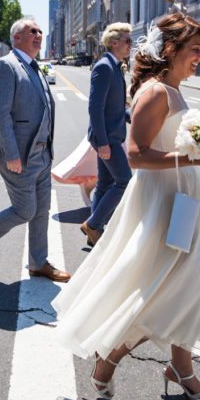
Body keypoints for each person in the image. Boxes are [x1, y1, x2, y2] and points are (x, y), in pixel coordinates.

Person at [52, 12, 200, 400]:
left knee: (189, 283)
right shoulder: (156, 92)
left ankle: (180, 368)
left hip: (182, 197)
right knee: (157, 289)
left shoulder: (174, 88)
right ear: (171, 49)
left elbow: (174, 144)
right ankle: (109, 360)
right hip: (162, 203)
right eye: (195, 49)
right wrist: (196, 160)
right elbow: (135, 155)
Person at [0, 17, 69, 283]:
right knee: (25, 210)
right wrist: (11, 153)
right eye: (31, 31)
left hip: (42, 154)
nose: (38, 35)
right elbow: (0, 114)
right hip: (19, 156)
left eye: (40, 31)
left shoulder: (35, 67)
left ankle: (38, 262)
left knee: (41, 210)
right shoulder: (6, 65)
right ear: (16, 38)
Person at [80, 22, 133, 247]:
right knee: (124, 181)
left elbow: (115, 107)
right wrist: (102, 142)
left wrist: (135, 115)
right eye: (127, 41)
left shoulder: (115, 66)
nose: (131, 45)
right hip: (107, 138)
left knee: (104, 184)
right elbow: (95, 107)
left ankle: (94, 233)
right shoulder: (104, 67)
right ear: (114, 43)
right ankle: (93, 224)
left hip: (112, 135)